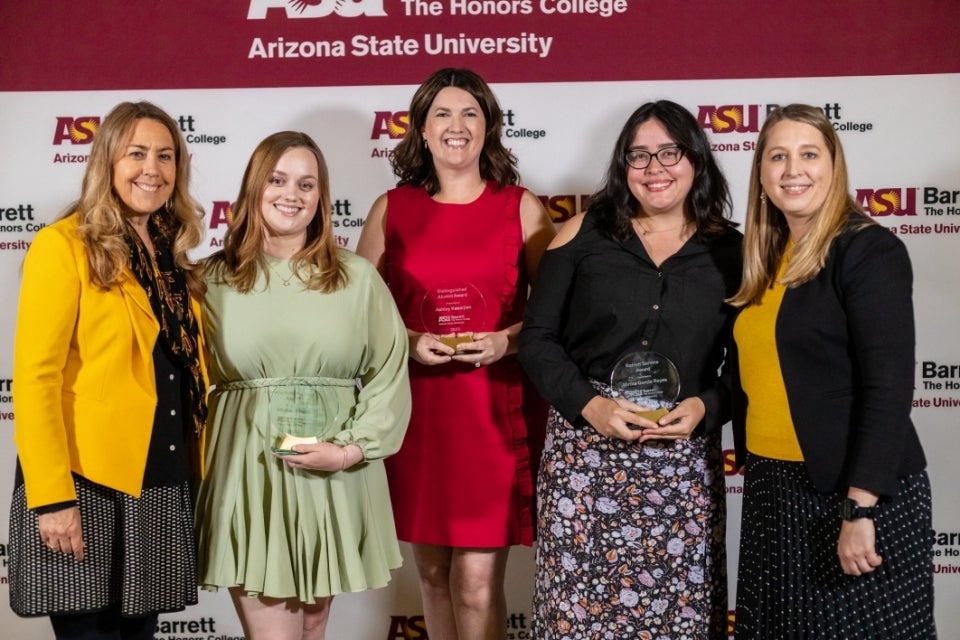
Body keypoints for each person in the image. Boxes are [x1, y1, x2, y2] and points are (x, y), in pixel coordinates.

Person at [518, 100, 741, 639]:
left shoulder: (734, 251)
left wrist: (706, 407)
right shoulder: (579, 236)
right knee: (579, 616)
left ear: (696, 160)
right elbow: (536, 340)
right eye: (638, 155)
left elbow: (750, 363)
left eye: (670, 152)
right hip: (585, 457)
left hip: (681, 462)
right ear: (622, 167)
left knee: (677, 617)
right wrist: (590, 406)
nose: (654, 168)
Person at [356, 68, 555, 640]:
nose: (456, 126)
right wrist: (410, 343)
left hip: (493, 412)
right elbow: (360, 316)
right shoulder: (390, 210)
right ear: (421, 128)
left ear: (489, 127)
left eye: (470, 113)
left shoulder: (521, 207)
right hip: (417, 413)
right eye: (442, 113)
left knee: (474, 580)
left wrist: (507, 339)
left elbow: (554, 314)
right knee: (435, 574)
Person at [727, 104, 936, 638]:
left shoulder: (868, 251)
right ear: (762, 174)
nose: (792, 169)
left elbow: (888, 391)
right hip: (774, 487)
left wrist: (860, 508)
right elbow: (748, 372)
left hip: (852, 492)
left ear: (834, 165)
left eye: (808, 154)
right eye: (777, 156)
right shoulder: (762, 258)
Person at [195, 131, 411, 640]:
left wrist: (351, 451)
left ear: (321, 198)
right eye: (277, 179)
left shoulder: (356, 279)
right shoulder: (209, 280)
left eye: (306, 184)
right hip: (248, 473)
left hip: (334, 474)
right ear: (254, 187)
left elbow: (389, 371)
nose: (291, 194)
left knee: (313, 627)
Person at [9, 101, 207, 639]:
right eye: (137, 153)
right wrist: (50, 498)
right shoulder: (64, 244)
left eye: (166, 156)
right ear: (107, 161)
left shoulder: (172, 257)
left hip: (159, 479)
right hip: (83, 483)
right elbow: (35, 378)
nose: (153, 168)